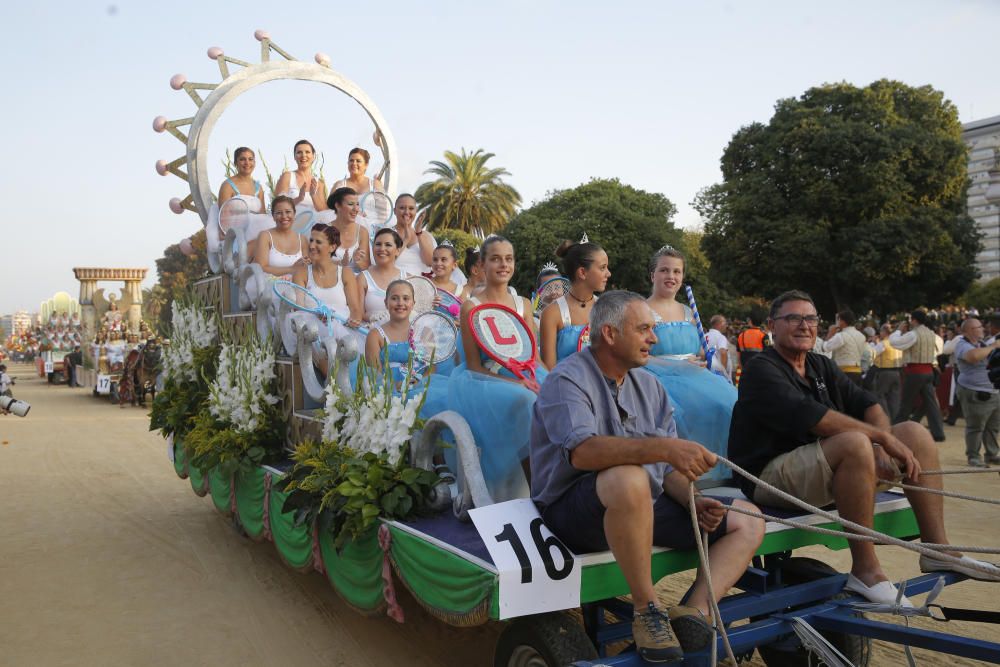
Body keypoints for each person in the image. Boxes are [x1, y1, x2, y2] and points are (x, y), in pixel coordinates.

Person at [531, 291, 764, 661]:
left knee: (746, 520)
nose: (654, 339)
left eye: (652, 329)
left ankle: (695, 615)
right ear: (609, 333)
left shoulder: (650, 385)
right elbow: (584, 452)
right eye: (643, 329)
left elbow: (666, 471)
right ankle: (647, 610)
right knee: (629, 478)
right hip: (573, 514)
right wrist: (663, 450)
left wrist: (693, 499)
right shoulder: (566, 379)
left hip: (640, 505)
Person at [729, 290, 1000, 606]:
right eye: (793, 318)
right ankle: (866, 571)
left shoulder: (820, 364)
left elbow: (868, 404)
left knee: (914, 432)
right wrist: (880, 440)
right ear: (772, 326)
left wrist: (884, 442)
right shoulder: (762, 369)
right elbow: (817, 419)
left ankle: (937, 550)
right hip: (769, 475)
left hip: (820, 465)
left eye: (810, 318)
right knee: (857, 442)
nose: (804, 325)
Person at [449, 235, 545, 502]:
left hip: (527, 373)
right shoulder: (471, 306)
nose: (503, 265)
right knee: (527, 400)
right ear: (481, 264)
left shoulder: (523, 304)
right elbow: (474, 366)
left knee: (560, 395)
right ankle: (538, 494)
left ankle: (563, 483)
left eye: (509, 258)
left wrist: (555, 378)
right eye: (495, 259)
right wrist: (514, 384)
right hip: (486, 381)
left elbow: (534, 357)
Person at [642, 246, 738, 483]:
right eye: (664, 270)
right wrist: (673, 366)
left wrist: (702, 359)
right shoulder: (641, 309)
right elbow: (638, 353)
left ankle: (721, 470)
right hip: (655, 376)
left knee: (731, 404)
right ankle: (681, 478)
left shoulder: (688, 311)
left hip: (695, 376)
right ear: (653, 275)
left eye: (677, 271)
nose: (671, 276)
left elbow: (698, 349)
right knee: (676, 415)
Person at [539, 239, 609, 369]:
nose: (608, 274)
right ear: (582, 272)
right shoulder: (552, 313)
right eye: (602, 268)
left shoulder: (606, 308)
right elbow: (549, 369)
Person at [292, 223, 363, 329]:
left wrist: (352, 322)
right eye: (311, 240)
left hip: (342, 328)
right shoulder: (302, 273)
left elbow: (355, 310)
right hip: (311, 331)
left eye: (318, 242)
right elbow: (299, 310)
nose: (311, 246)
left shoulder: (345, 273)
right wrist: (317, 317)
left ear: (332, 247)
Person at [890, 310, 946, 442]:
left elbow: (895, 343)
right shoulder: (931, 334)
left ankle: (895, 430)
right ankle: (938, 433)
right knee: (931, 404)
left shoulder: (913, 334)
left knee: (906, 403)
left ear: (914, 320)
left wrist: (898, 330)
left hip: (915, 372)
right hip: (928, 371)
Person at [953, 318, 1000, 466]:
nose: (983, 329)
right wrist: (993, 346)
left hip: (992, 391)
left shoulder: (982, 343)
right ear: (969, 331)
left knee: (993, 426)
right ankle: (973, 456)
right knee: (976, 426)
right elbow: (973, 357)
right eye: (979, 327)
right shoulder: (962, 344)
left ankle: (991, 454)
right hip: (975, 392)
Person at [365, 280, 417, 392]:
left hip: (420, 388)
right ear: (386, 303)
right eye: (394, 298)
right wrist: (394, 385)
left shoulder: (424, 332)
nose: (400, 303)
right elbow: (375, 375)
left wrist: (418, 382)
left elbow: (432, 369)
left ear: (413, 303)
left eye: (406, 298)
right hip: (388, 392)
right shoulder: (375, 336)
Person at [356, 228, 409, 325]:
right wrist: (376, 317)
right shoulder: (363, 278)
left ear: (397, 251)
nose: (382, 249)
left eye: (388, 245)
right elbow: (359, 314)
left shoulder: (408, 278)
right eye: (378, 244)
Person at [252, 196, 308, 280]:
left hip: (295, 284)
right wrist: (291, 269)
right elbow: (261, 268)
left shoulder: (303, 240)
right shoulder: (265, 236)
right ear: (273, 216)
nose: (284, 216)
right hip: (268, 285)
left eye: (288, 212)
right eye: (279, 213)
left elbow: (305, 268)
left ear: (294, 214)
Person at [275, 139, 330, 219]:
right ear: (294, 157)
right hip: (290, 223)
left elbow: (324, 212)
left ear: (313, 156)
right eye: (299, 152)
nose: (303, 155)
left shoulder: (319, 183)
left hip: (313, 225)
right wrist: (299, 198)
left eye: (307, 152)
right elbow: (278, 205)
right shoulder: (287, 176)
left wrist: (313, 196)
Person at [821, 309, 869, 386]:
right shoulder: (862, 336)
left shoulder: (841, 336)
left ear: (842, 321)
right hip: (858, 372)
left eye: (838, 320)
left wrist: (830, 333)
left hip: (844, 372)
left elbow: (824, 348)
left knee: (841, 397)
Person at [391, 194, 436, 276]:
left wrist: (419, 232)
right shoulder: (387, 234)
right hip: (395, 283)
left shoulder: (425, 235)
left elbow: (430, 262)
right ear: (394, 211)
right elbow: (387, 261)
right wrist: (406, 240)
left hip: (420, 285)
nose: (407, 212)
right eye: (402, 208)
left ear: (416, 210)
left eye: (411, 208)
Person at [327, 187, 371, 271]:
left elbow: (366, 267)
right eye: (351, 204)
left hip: (355, 280)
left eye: (357, 204)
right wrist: (341, 263)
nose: (356, 209)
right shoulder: (325, 230)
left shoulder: (362, 232)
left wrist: (357, 260)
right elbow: (316, 261)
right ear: (338, 206)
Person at [869, 324, 903, 418]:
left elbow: (872, 353)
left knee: (880, 395)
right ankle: (895, 418)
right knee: (894, 397)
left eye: (880, 331)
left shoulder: (884, 343)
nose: (880, 333)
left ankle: (885, 417)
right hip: (897, 372)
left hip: (885, 372)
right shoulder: (898, 343)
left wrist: (873, 343)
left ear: (884, 332)